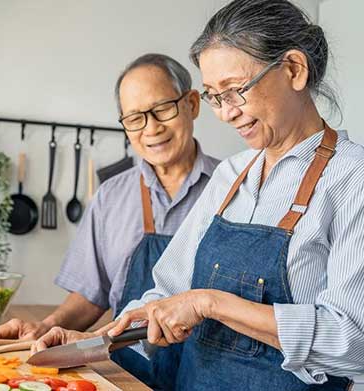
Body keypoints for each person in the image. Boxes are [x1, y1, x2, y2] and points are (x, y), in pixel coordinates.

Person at [32, 1, 364, 390]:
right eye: (214, 96)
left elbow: (353, 340)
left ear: (294, 69)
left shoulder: (351, 178)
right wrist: (95, 342)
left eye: (236, 90)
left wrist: (211, 303)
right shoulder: (230, 176)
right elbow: (167, 294)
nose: (226, 113)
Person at [0, 53, 219, 383]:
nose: (151, 128)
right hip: (123, 375)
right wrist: (46, 328)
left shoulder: (234, 189)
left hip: (206, 376)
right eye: (135, 118)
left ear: (192, 104)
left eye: (162, 108)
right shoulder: (111, 196)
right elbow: (91, 295)